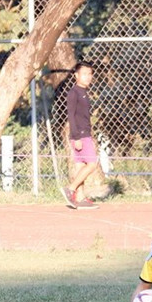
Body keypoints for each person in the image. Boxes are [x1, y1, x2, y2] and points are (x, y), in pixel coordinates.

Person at [62, 61, 98, 209]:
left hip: (84, 133)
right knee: (92, 164)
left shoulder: (84, 92)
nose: (87, 77)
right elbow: (71, 116)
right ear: (76, 75)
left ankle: (81, 197)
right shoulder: (74, 93)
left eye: (89, 74)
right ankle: (71, 189)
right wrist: (76, 137)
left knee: (81, 165)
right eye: (84, 74)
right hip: (80, 135)